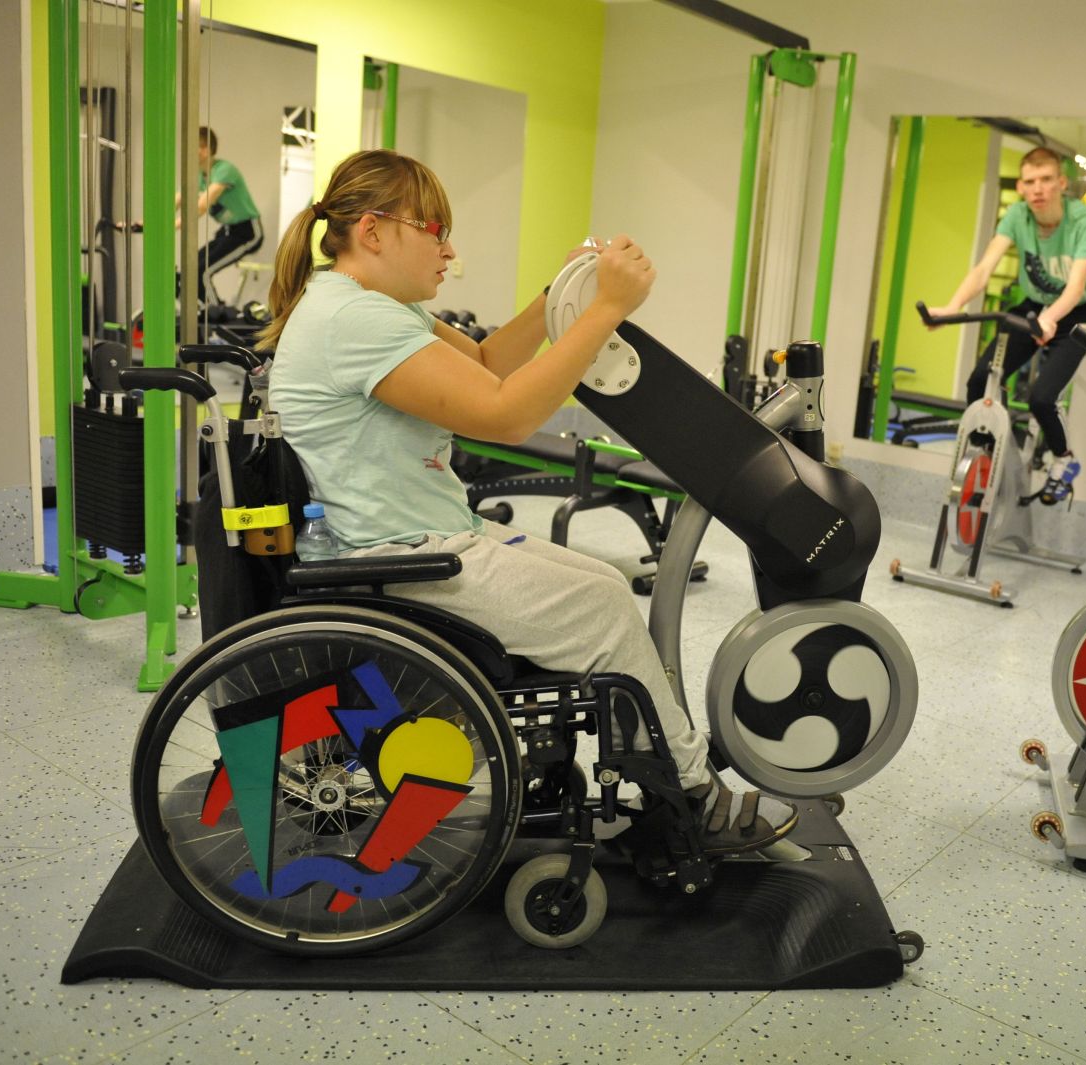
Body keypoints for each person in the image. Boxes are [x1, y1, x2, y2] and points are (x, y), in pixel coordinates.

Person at [259, 149, 797, 856]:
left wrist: (559, 294)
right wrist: (606, 309)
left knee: (605, 585)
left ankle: (657, 779)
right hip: (403, 556)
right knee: (602, 609)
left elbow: (486, 364)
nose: (449, 251)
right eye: (435, 230)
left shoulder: (366, 306)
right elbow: (508, 414)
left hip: (422, 536)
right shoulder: (357, 321)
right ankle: (691, 799)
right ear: (374, 231)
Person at [927, 146, 1086, 504]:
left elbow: (1075, 287)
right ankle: (985, 451)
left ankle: (1064, 460)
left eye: (1045, 180)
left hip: (1076, 313)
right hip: (1032, 307)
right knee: (980, 380)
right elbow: (983, 270)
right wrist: (951, 307)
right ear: (1021, 187)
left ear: (1062, 183)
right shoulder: (1017, 215)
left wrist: (1050, 319)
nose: (1037, 189)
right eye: (1030, 182)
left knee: (1041, 399)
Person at [178, 126, 265, 308]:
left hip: (248, 231)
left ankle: (215, 315)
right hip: (227, 231)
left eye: (195, 146)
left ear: (206, 150)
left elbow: (202, 206)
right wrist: (144, 224)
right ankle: (207, 309)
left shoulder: (224, 170)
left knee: (202, 271)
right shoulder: (199, 176)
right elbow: (177, 199)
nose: (189, 151)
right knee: (190, 267)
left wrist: (175, 224)